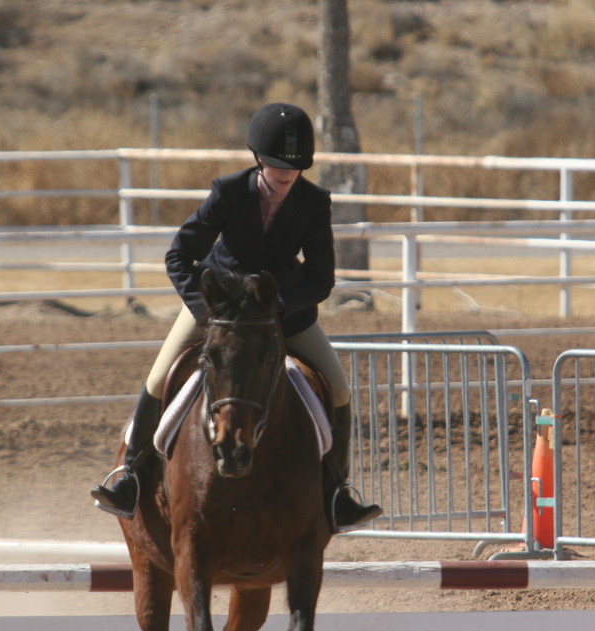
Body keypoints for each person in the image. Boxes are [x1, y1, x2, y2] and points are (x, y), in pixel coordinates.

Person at [90, 102, 382, 533]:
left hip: (283, 315)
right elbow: (178, 256)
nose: (286, 174)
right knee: (157, 379)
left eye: (295, 167)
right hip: (221, 311)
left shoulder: (313, 202)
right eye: (278, 165)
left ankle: (337, 493)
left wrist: (279, 304)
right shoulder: (228, 193)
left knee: (338, 389)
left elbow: (321, 279)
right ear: (258, 158)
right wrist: (209, 311)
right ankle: (130, 477)